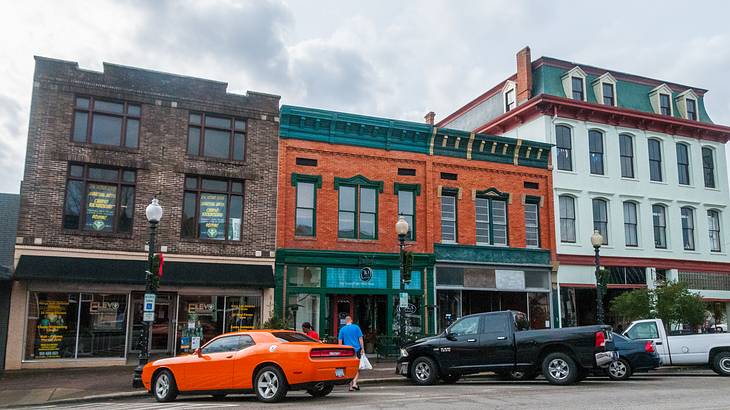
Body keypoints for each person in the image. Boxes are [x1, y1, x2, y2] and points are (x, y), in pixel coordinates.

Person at [338, 315, 364, 391]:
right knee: (356, 368)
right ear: (351, 320)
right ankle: (355, 383)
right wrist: (362, 348)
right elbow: (360, 339)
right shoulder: (356, 327)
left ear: (345, 321)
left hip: (347, 351)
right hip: (357, 349)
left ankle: (350, 386)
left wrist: (340, 350)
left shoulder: (342, 329)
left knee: (349, 368)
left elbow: (340, 341)